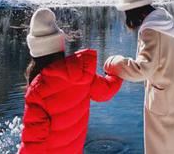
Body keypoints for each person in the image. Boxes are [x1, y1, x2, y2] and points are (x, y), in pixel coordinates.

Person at [104, 0, 174, 154]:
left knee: (163, 147)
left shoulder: (150, 30)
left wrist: (113, 63)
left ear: (131, 10)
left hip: (166, 101)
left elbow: (142, 70)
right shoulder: (166, 21)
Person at [19, 8, 122, 154]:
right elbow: (106, 91)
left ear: (35, 51)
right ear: (59, 45)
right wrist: (116, 71)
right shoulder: (81, 74)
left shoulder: (37, 91)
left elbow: (33, 146)